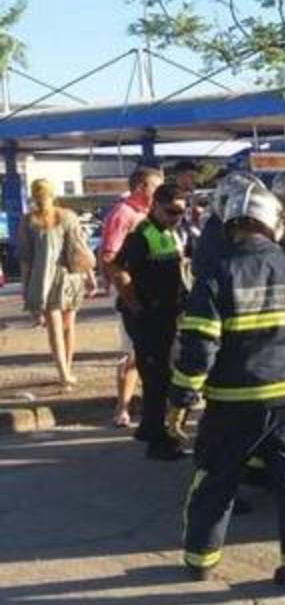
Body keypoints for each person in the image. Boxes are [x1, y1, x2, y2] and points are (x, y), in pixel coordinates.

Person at [169, 184, 285, 589]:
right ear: (273, 226)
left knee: (215, 479)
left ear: (231, 228)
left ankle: (200, 561)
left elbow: (199, 347)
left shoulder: (217, 275)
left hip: (234, 403)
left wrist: (181, 399)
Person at [108, 184, 191, 460]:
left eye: (180, 212)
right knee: (158, 380)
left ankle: (151, 430)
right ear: (155, 206)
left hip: (166, 314)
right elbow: (116, 268)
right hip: (148, 316)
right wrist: (135, 304)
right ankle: (158, 442)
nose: (176, 217)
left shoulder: (170, 233)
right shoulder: (142, 235)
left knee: (163, 376)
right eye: (171, 211)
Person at [99, 166, 164, 428]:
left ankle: (153, 404)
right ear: (141, 187)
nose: (159, 193)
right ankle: (122, 407)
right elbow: (109, 255)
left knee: (153, 350)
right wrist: (125, 292)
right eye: (155, 187)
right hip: (131, 291)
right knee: (133, 351)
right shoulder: (123, 213)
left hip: (152, 291)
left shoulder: (148, 214)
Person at [18, 179, 94, 389]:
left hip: (49, 278)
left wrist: (26, 288)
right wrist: (90, 275)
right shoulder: (62, 216)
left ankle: (65, 370)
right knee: (62, 326)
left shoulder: (30, 221)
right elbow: (81, 249)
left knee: (62, 327)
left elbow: (25, 259)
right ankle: (64, 372)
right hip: (66, 277)